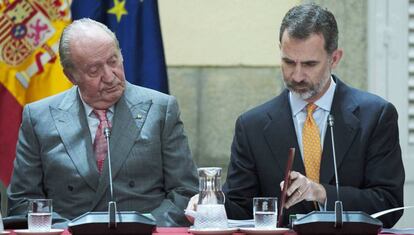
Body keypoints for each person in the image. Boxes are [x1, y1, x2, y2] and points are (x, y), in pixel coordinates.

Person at [187, 3, 404, 228]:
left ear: (335, 58)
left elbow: (388, 204)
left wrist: (321, 193)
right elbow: (240, 208)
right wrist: (208, 205)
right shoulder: (252, 126)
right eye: (289, 62)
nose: (297, 75)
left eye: (310, 64)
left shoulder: (376, 116)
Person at [7, 18, 198, 227]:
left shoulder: (161, 109)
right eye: (94, 70)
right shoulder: (38, 118)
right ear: (71, 76)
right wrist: (70, 230)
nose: (109, 76)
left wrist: (144, 226)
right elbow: (23, 202)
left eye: (113, 61)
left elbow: (185, 194)